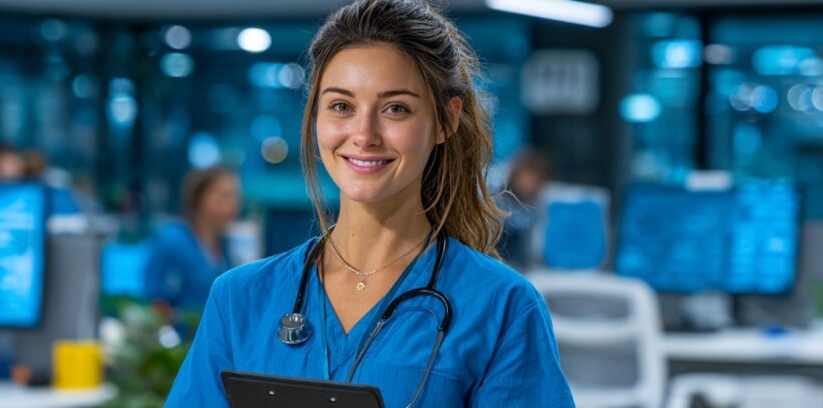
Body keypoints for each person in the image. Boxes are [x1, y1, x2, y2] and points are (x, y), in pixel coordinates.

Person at [165, 1, 574, 406]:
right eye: (341, 106)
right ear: (315, 118)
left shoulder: (501, 308)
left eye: (395, 109)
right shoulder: (239, 299)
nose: (364, 134)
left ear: (446, 121)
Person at [146, 166, 243, 310]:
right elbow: (156, 301)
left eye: (236, 197)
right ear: (199, 199)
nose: (233, 206)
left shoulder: (224, 245)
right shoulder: (174, 240)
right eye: (224, 197)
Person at [496, 149, 551, 270]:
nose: (528, 183)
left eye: (533, 179)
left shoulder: (537, 202)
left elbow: (535, 239)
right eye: (525, 177)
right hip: (497, 260)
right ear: (516, 175)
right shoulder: (498, 197)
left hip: (523, 265)